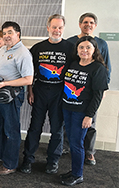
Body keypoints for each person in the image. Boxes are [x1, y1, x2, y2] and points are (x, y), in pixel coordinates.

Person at [20, 14, 74, 174]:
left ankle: (53, 161)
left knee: (57, 129)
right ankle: (28, 160)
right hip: (40, 92)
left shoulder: (71, 48)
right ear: (48, 27)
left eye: (60, 27)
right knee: (35, 127)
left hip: (59, 93)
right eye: (54, 27)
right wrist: (30, 91)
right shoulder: (37, 48)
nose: (57, 30)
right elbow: (30, 73)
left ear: (63, 28)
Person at [0, 21, 33, 175]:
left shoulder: (23, 53)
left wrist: (5, 84)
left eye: (9, 33)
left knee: (11, 131)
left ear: (18, 34)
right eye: (4, 33)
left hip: (11, 96)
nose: (6, 36)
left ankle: (10, 164)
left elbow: (28, 79)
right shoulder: (3, 49)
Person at [60, 36, 108, 186]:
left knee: (76, 143)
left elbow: (98, 96)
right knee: (72, 141)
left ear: (94, 50)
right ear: (77, 49)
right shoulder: (74, 64)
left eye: (88, 47)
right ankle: (74, 171)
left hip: (81, 112)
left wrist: (89, 116)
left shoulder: (98, 68)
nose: (84, 50)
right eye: (81, 47)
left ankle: (78, 174)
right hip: (67, 108)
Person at [65, 12, 111, 165]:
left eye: (91, 22)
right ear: (80, 24)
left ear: (95, 26)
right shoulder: (70, 42)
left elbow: (106, 67)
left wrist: (103, 89)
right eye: (85, 22)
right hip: (72, 91)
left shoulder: (102, 44)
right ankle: (68, 147)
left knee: (89, 121)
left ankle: (89, 152)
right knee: (70, 123)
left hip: (92, 91)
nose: (88, 25)